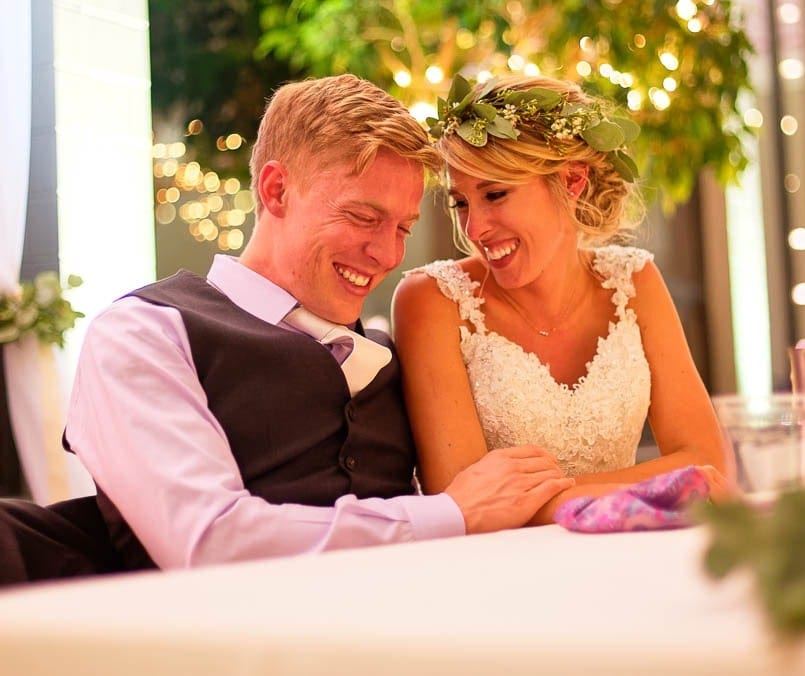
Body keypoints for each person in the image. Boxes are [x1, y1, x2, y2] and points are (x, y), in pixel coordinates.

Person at [42, 74, 575, 575]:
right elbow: (209, 540)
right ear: (275, 191)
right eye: (363, 218)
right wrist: (448, 514)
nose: (388, 253)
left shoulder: (397, 348)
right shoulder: (144, 334)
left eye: (403, 228)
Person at [392, 74, 731, 524]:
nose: (474, 230)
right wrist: (662, 485)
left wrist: (531, 500)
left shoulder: (634, 281)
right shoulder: (432, 300)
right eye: (462, 203)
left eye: (495, 194)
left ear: (571, 181)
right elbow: (467, 506)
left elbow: (709, 461)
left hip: (631, 552)